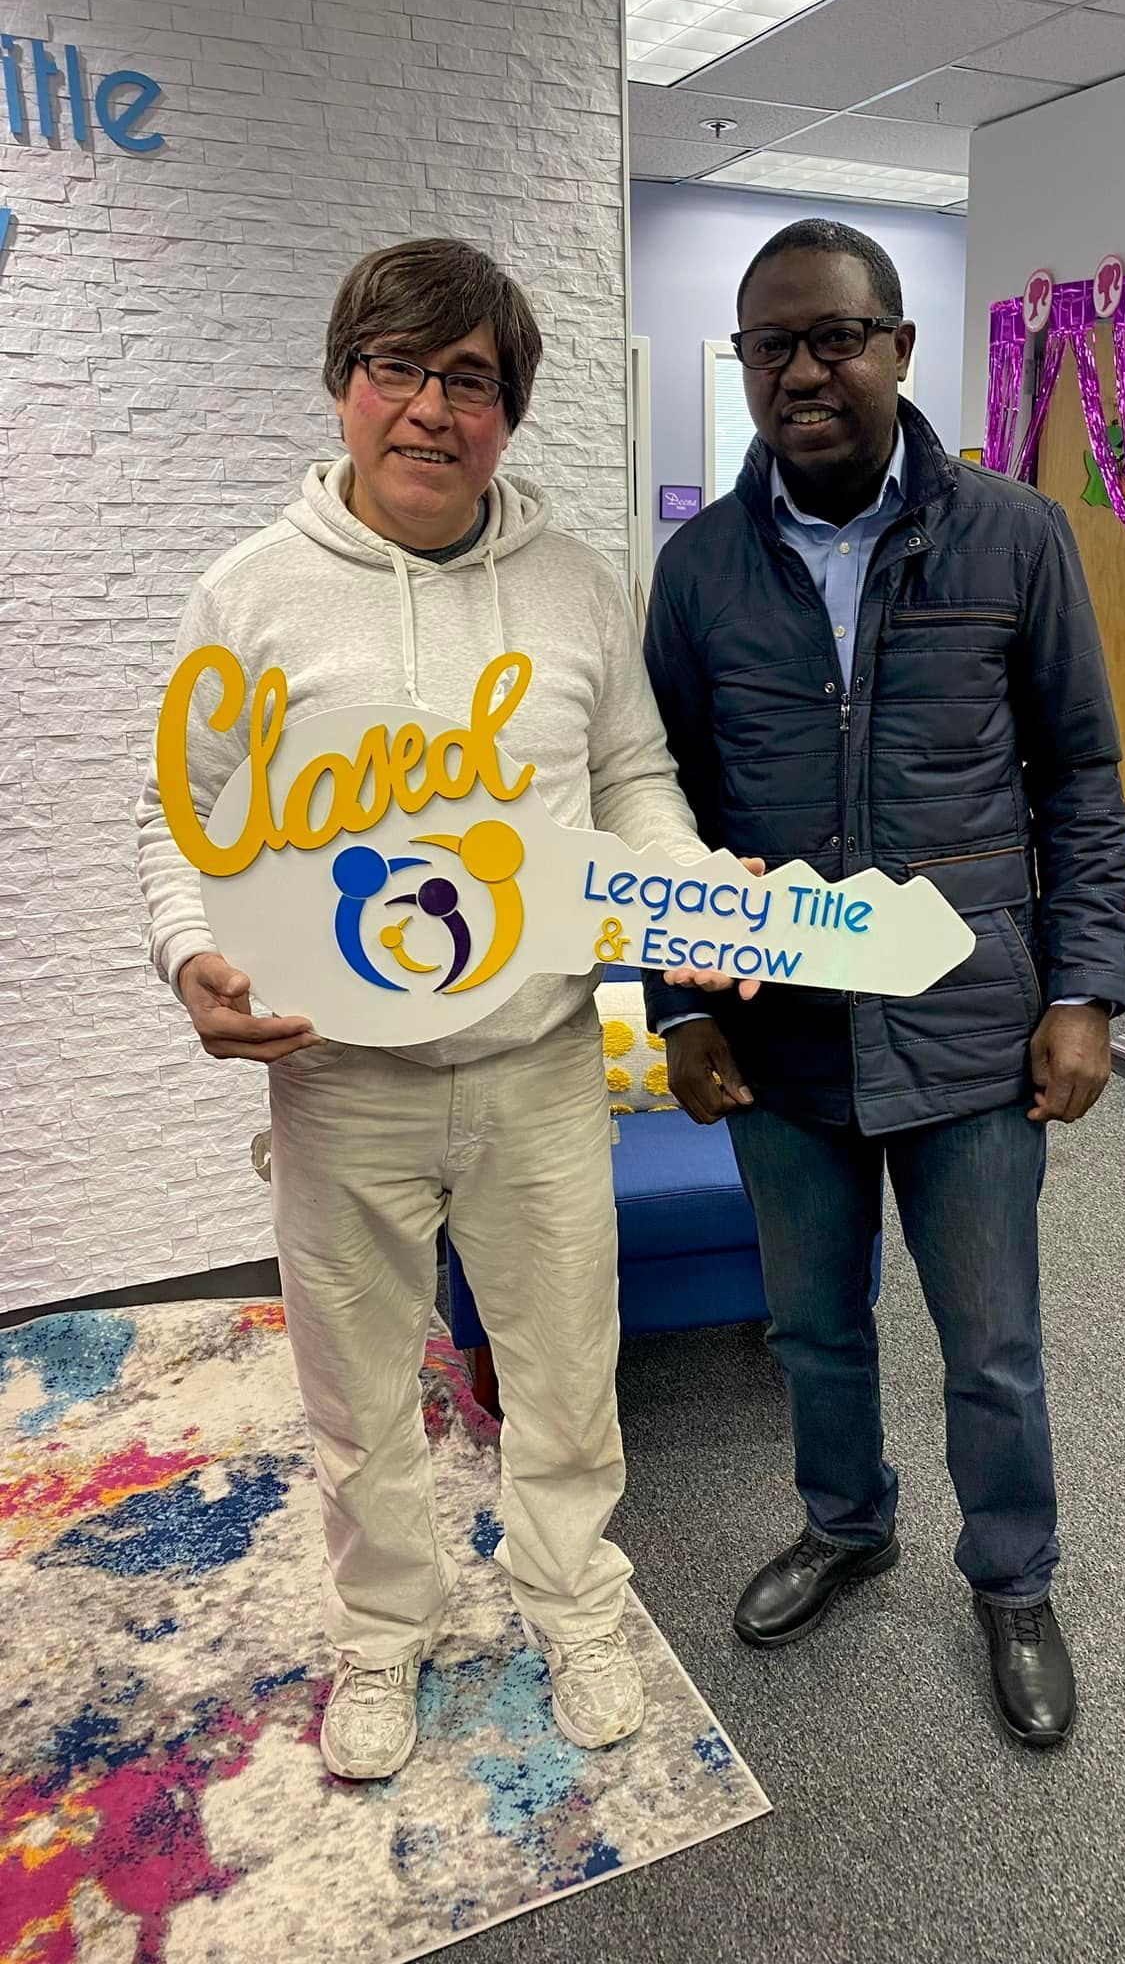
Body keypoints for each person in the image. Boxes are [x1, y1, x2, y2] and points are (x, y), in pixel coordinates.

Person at [136, 237, 712, 1780]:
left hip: (540, 1066)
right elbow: (180, 816)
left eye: (472, 380)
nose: (432, 409)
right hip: (338, 1082)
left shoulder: (577, 588)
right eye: (398, 369)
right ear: (345, 386)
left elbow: (634, 780)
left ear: (508, 413)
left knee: (565, 1373)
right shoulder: (249, 595)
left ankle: (575, 1604)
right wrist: (191, 959)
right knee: (358, 1388)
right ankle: (385, 1632)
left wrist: (684, 893)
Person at [642, 220, 1125, 1748]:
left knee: (991, 1344)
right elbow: (658, 796)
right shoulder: (700, 569)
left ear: (899, 348)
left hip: (972, 1028)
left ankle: (1014, 1579)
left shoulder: (1016, 537)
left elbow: (1081, 779)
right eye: (770, 346)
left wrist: (1085, 989)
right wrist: (680, 1003)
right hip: (782, 1040)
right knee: (814, 1329)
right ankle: (847, 1526)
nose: (803, 370)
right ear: (745, 366)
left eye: (835, 337)